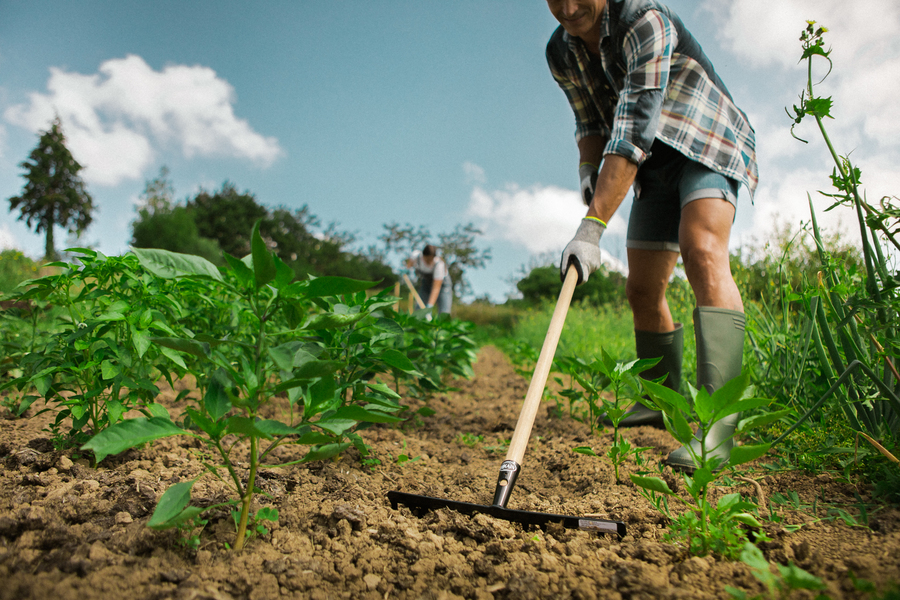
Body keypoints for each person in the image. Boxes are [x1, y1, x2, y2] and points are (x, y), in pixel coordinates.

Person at [545, 0, 758, 471]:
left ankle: (719, 426)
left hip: (705, 140)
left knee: (701, 249)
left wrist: (592, 226)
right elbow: (590, 120)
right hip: (651, 165)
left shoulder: (644, 19)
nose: (567, 7)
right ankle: (659, 401)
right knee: (642, 288)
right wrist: (587, 165)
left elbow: (634, 123)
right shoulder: (561, 51)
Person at [406, 244, 453, 316]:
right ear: (423, 255)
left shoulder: (439, 264)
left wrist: (429, 306)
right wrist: (407, 273)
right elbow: (409, 265)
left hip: (443, 286)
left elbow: (436, 288)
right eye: (427, 259)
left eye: (431, 259)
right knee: (419, 309)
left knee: (444, 313)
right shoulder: (416, 256)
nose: (429, 262)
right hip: (426, 283)